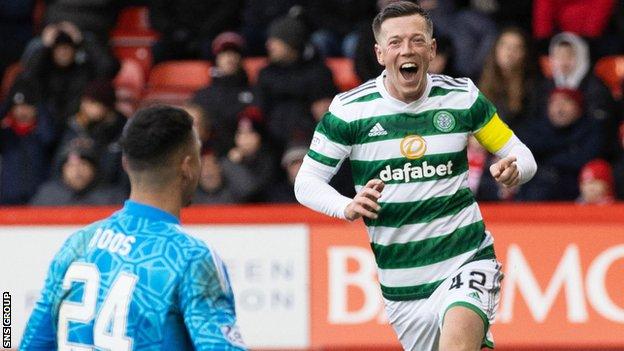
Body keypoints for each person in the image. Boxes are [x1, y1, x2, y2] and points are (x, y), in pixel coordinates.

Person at [294, 2, 537, 350]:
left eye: (417, 40)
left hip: (466, 258)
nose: (406, 50)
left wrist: (515, 170)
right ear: (380, 53)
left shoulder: (462, 98)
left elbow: (522, 155)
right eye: (395, 42)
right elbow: (306, 182)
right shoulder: (349, 111)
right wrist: (346, 206)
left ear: (432, 49)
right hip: (403, 287)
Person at [21, 106, 246, 350]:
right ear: (188, 166)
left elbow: (32, 343)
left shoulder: (78, 243)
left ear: (125, 164)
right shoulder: (190, 257)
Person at [517, 88, 604, 201]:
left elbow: (584, 159)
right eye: (554, 103)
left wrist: (547, 157)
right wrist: (568, 148)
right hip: (536, 191)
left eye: (566, 102)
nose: (559, 108)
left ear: (578, 107)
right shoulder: (537, 130)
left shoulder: (591, 130)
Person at [0, 78, 55, 205]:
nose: (22, 112)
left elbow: (49, 138)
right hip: (7, 200)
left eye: (27, 106)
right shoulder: (6, 133)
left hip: (39, 199)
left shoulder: (41, 131)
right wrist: (6, 105)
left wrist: (40, 107)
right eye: (17, 107)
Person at [29, 144, 124, 206]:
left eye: (83, 164)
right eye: (70, 166)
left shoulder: (112, 197)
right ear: (62, 171)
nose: (77, 171)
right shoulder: (47, 196)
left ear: (94, 169)